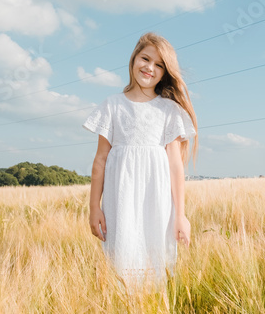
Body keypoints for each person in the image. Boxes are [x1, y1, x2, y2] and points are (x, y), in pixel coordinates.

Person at [82, 32, 198, 292]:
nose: (150, 68)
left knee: (156, 262)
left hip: (157, 200)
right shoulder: (112, 105)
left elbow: (176, 166)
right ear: (134, 58)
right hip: (119, 198)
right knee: (120, 261)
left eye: (159, 65)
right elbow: (100, 160)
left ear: (165, 72)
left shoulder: (169, 110)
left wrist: (180, 215)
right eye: (145, 58)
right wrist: (94, 207)